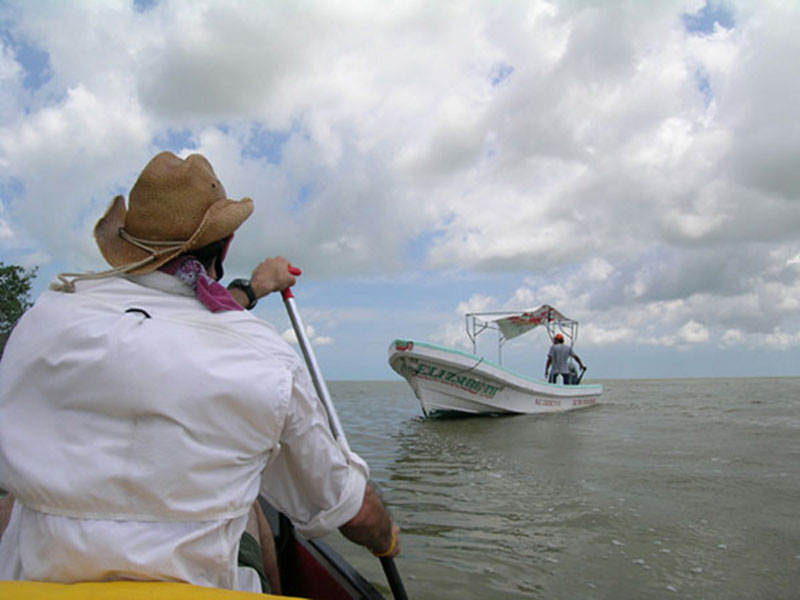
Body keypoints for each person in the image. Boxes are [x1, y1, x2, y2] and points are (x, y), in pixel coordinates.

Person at [0, 151, 400, 593]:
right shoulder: (261, 355)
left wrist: (255, 287)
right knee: (249, 506)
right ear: (225, 245)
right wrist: (385, 537)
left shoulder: (44, 318)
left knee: (20, 503)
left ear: (125, 245)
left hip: (34, 579)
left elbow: (171, 314)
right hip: (200, 583)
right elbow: (351, 512)